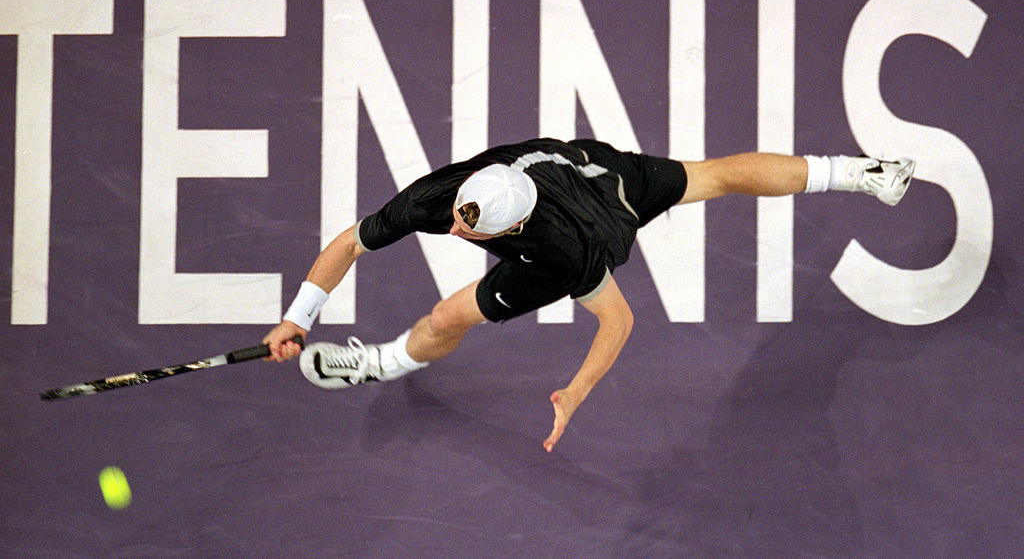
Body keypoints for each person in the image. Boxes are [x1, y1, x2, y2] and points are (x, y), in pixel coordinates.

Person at [262, 137, 914, 452]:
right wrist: (298, 316)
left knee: (447, 314)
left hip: (599, 220)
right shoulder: (445, 196)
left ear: (509, 228)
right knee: (712, 175)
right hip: (590, 167)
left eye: (470, 228)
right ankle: (864, 172)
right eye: (458, 215)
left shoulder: (563, 251)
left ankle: (384, 362)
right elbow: (348, 243)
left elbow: (618, 321)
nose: (455, 228)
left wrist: (576, 390)